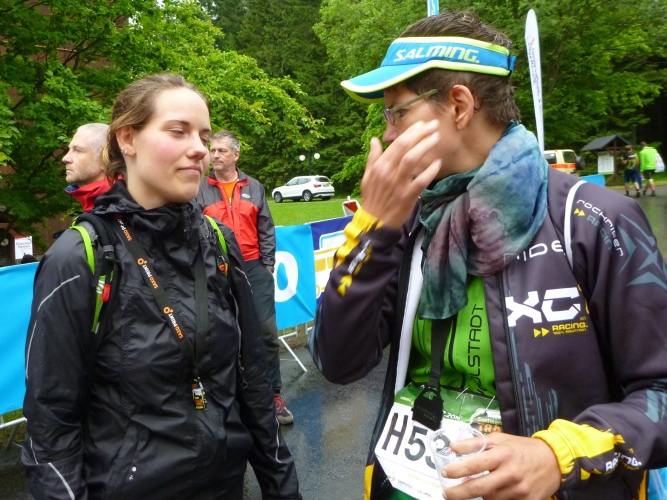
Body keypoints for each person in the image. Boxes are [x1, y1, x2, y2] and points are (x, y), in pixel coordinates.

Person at [309, 11, 667, 500]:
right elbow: (337, 362)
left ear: (459, 105)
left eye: (397, 113)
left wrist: (559, 454)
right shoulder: (410, 219)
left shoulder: (592, 219)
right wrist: (371, 229)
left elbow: (659, 392)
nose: (388, 134)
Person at [22, 74, 301, 499]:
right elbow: (50, 422)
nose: (200, 149)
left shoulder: (217, 241)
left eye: (204, 136)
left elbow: (254, 384)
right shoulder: (80, 256)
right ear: (127, 139)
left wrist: (283, 489)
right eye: (178, 131)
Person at [196, 130, 293, 425]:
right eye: (212, 150)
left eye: (221, 151)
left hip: (253, 267)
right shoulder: (200, 189)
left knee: (265, 332)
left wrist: (267, 264)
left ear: (236, 155)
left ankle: (273, 395)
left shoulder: (254, 187)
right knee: (221, 336)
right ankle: (231, 402)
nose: (214, 155)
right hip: (217, 270)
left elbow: (266, 227)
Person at [62, 123, 113, 211]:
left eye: (78, 150)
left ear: (106, 159)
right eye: (69, 150)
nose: (65, 158)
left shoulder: (119, 210)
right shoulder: (106, 206)